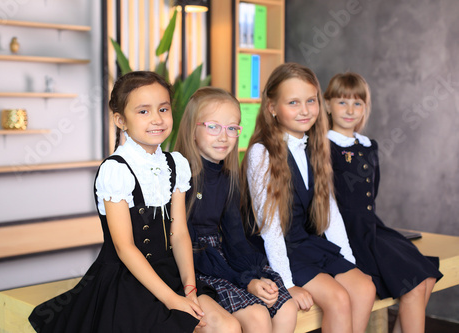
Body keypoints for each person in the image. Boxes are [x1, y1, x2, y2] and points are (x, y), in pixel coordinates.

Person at [29, 71, 239, 333]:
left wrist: (189, 288)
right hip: (126, 280)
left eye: (163, 109)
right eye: (143, 111)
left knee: (229, 326)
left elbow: (179, 234)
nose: (157, 119)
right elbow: (124, 247)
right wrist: (172, 300)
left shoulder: (176, 164)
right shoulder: (116, 170)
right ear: (120, 120)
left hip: (171, 274)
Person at [240, 62, 376, 333]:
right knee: (338, 299)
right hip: (279, 251)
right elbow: (271, 228)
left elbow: (330, 209)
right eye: (293, 102)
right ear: (272, 108)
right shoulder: (261, 152)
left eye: (311, 101)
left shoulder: (315, 144)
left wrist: (348, 261)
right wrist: (287, 283)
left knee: (364, 287)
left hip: (308, 243)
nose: (305, 110)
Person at [324, 72, 443, 333]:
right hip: (347, 232)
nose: (350, 110)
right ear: (327, 104)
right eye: (342, 102)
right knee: (413, 285)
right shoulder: (324, 146)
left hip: (372, 226)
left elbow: (371, 193)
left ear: (366, 107)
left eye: (358, 103)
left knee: (427, 277)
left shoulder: (369, 145)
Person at [174, 87, 298, 333]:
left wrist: (254, 276)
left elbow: (236, 238)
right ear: (192, 129)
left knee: (287, 306)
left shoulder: (229, 179)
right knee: (258, 316)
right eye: (213, 126)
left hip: (223, 257)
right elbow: (183, 244)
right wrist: (245, 282)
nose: (224, 136)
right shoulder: (179, 177)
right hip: (195, 264)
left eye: (232, 128)